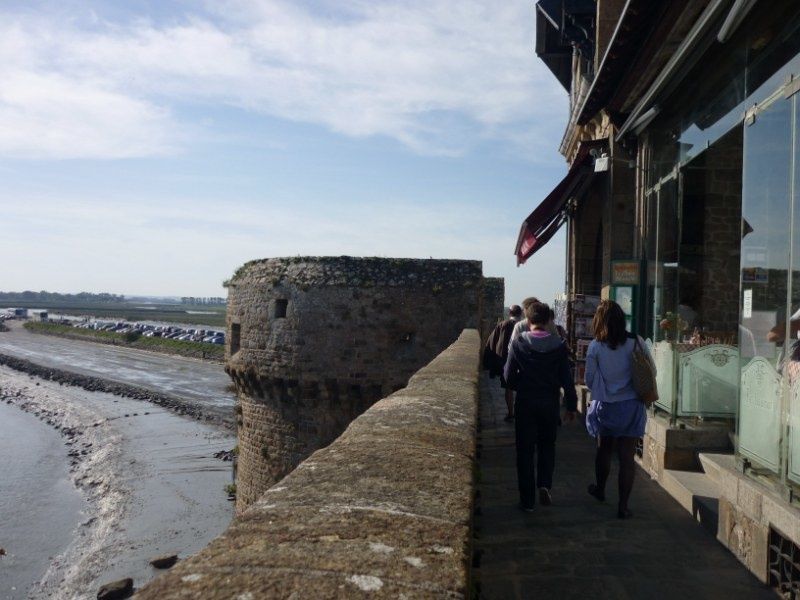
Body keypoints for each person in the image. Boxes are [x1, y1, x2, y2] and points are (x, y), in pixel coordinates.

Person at [504, 302, 577, 512]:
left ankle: (527, 501)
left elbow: (508, 377)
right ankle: (544, 484)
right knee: (547, 446)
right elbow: (566, 380)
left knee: (525, 451)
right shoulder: (559, 345)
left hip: (526, 403)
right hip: (549, 403)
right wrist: (571, 406)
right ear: (548, 321)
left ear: (528, 321)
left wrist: (524, 385)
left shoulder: (519, 343)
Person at [585, 300, 653, 519]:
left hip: (606, 405)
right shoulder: (636, 342)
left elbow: (589, 378)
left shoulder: (596, 346)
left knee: (603, 450)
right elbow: (651, 370)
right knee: (627, 457)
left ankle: (601, 489)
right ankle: (623, 506)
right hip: (632, 405)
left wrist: (602, 393)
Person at [483, 305, 523, 420]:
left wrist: (490, 362)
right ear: (520, 314)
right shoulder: (523, 326)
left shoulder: (502, 325)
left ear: (510, 313)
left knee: (508, 388)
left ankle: (511, 413)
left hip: (506, 362)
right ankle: (519, 412)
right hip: (521, 361)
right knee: (521, 387)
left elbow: (491, 342)